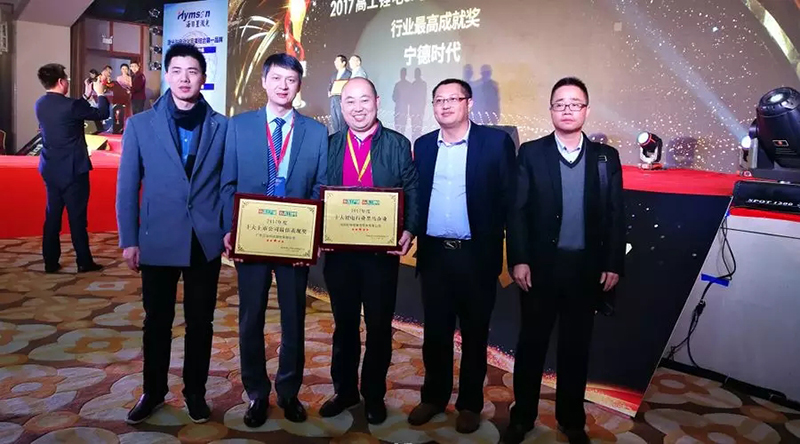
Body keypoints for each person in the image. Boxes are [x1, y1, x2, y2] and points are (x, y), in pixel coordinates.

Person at [502, 77, 625, 444]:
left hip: (585, 271)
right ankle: (522, 417)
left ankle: (572, 421)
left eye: (575, 103)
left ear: (586, 110)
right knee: (531, 346)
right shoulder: (532, 153)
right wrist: (519, 259)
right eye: (560, 104)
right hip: (539, 270)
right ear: (551, 110)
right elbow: (517, 212)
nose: (568, 109)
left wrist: (613, 262)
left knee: (575, 349)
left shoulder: (605, 157)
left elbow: (616, 214)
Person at [116, 43, 228, 425]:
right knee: (156, 322)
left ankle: (195, 392)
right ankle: (153, 391)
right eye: (177, 71)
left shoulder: (221, 126)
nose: (184, 78)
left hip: (204, 240)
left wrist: (227, 230)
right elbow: (127, 186)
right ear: (166, 75)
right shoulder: (140, 125)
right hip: (157, 238)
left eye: (192, 71)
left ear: (203, 78)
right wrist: (129, 239)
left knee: (200, 323)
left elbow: (226, 185)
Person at [221, 53, 328, 427]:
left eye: (291, 80)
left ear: (299, 86)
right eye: (277, 78)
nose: (284, 86)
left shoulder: (315, 132)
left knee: (294, 317)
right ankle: (256, 392)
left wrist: (310, 233)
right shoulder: (239, 127)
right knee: (250, 318)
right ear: (264, 82)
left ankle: (288, 391)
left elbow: (320, 186)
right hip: (251, 239)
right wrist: (230, 227)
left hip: (293, 241)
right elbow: (227, 182)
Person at [408, 79, 515, 434]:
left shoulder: (495, 143)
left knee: (474, 335)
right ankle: (433, 398)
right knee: (435, 334)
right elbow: (417, 197)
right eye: (438, 100)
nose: (445, 105)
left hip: (476, 256)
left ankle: (469, 404)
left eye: (452, 99)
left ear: (469, 103)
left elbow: (510, 200)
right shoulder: (424, 145)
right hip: (435, 256)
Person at [319, 78, 419, 425]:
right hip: (340, 255)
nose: (358, 108)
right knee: (344, 325)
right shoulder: (330, 145)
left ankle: (374, 395)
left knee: (378, 328)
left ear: (377, 101)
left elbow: (412, 189)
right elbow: (317, 191)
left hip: (381, 257)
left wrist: (409, 229)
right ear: (341, 106)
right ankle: (345, 390)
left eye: (364, 100)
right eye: (350, 101)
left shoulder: (397, 144)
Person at [34, 63, 109, 274]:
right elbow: (102, 113)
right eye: (66, 79)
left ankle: (50, 261)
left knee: (52, 215)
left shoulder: (40, 104)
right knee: (77, 218)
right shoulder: (72, 106)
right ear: (61, 82)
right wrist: (100, 93)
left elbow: (70, 112)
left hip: (50, 167)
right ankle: (83, 261)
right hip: (74, 169)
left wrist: (85, 96)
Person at [328, 55, 351, 133]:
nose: (335, 63)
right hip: (333, 100)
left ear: (343, 63)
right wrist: (329, 91)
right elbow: (330, 85)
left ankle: (344, 137)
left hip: (342, 100)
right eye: (335, 61)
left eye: (337, 61)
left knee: (342, 122)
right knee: (334, 121)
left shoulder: (349, 74)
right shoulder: (334, 75)